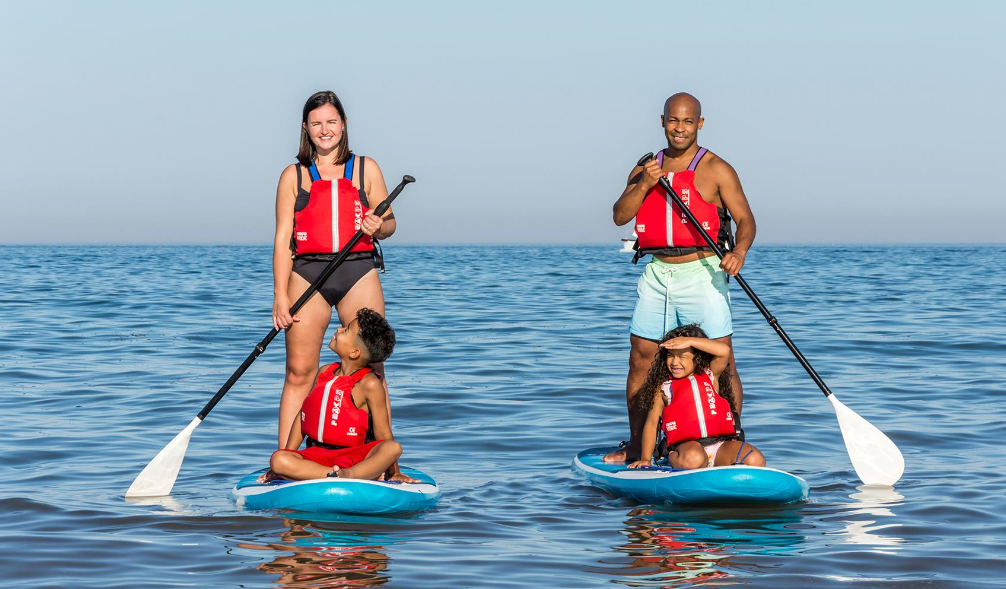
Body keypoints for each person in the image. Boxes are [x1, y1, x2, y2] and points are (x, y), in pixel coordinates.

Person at [607, 92, 756, 463]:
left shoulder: (718, 169)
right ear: (662, 121)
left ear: (699, 124)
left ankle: (730, 441)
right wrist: (644, 184)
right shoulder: (645, 168)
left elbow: (747, 221)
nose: (680, 128)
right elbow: (619, 215)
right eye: (674, 120)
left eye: (688, 121)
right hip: (658, 273)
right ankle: (636, 444)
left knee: (724, 362)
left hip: (703, 272)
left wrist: (739, 252)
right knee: (641, 357)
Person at [272, 90, 397, 446]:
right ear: (305, 128)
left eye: (331, 122)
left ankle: (382, 461)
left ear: (343, 124)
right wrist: (280, 295)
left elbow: (389, 225)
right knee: (299, 373)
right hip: (306, 275)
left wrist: (379, 226)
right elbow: (283, 240)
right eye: (316, 123)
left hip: (357, 271)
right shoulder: (292, 176)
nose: (324, 130)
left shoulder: (365, 168)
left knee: (372, 370)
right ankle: (287, 460)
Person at [259, 308, 418, 483]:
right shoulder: (324, 372)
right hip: (316, 456)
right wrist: (289, 453)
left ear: (354, 353)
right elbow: (303, 417)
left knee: (392, 448)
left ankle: (348, 474)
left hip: (355, 457)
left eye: (346, 330)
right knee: (279, 460)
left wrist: (394, 472)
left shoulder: (369, 384)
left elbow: (383, 433)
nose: (339, 329)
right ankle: (334, 474)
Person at [628, 324, 765, 470]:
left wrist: (690, 341)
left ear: (697, 358)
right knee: (694, 459)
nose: (674, 362)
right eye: (670, 356)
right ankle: (671, 459)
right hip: (688, 450)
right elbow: (652, 423)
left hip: (721, 446)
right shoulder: (664, 389)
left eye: (682, 356)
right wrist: (645, 459)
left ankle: (717, 466)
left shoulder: (711, 375)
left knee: (755, 459)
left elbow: (724, 350)